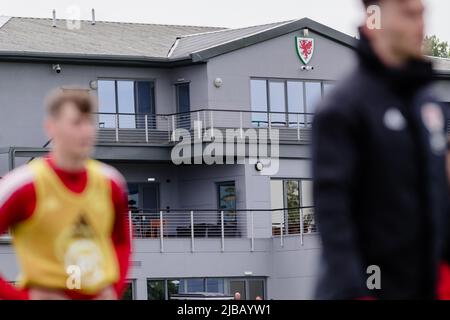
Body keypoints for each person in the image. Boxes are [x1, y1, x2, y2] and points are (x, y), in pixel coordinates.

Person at [313, 0, 449, 299]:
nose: (420, 23)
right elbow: (334, 217)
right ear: (374, 18)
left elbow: (437, 197)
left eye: (422, 13)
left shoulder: (427, 103)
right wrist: (356, 291)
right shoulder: (342, 108)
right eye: (408, 14)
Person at [0, 88, 131, 300]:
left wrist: (113, 291)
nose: (86, 131)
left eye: (90, 122)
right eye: (77, 123)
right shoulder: (22, 185)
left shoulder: (111, 182)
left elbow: (122, 242)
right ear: (51, 128)